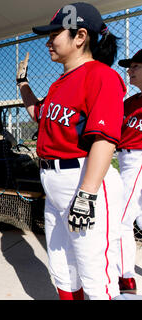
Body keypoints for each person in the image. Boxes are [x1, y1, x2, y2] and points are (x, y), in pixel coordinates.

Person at [16, 2, 126, 300]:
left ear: (80, 37)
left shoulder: (101, 76)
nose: (48, 40)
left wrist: (87, 194)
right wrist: (22, 83)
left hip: (84, 178)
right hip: (54, 183)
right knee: (62, 266)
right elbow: (38, 113)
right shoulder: (60, 82)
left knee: (94, 274)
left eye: (55, 33)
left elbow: (104, 140)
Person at [116, 49, 142, 295]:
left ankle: (126, 279)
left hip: (137, 159)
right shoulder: (131, 102)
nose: (129, 71)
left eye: (135, 66)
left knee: (121, 220)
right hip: (127, 159)